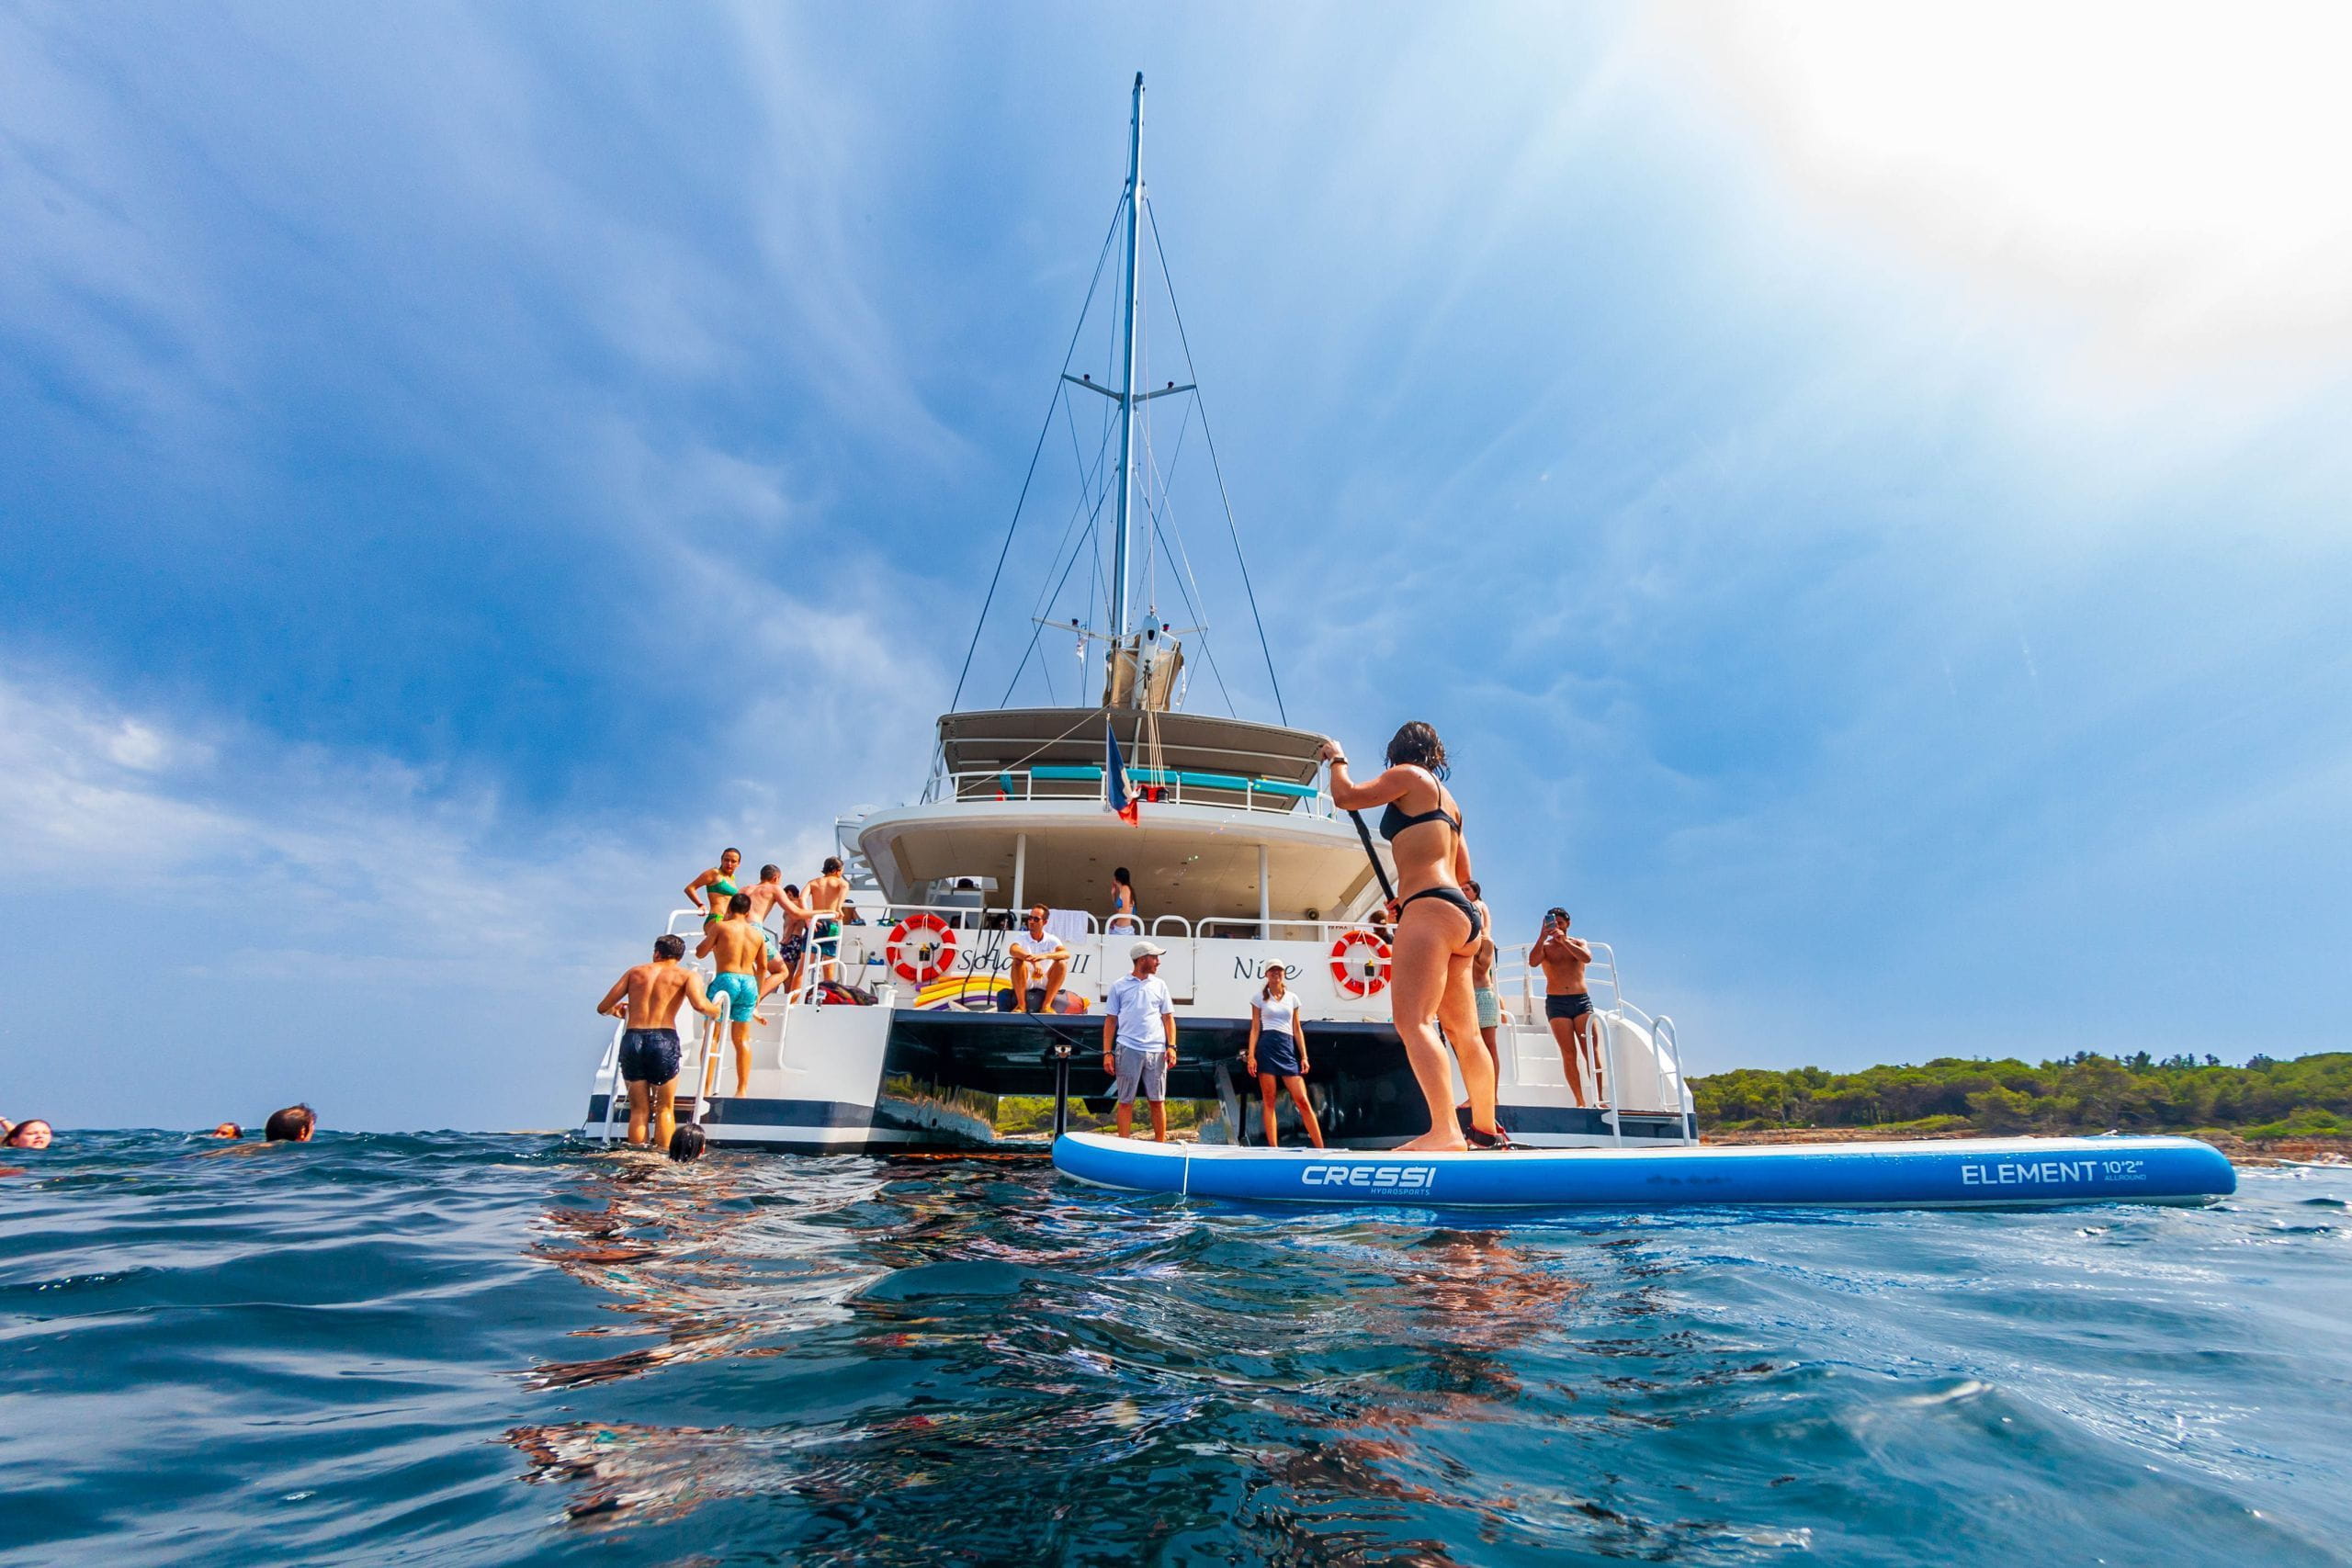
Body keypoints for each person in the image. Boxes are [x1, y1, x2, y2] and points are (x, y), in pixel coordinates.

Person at [1321, 722, 1505, 1152]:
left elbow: (1346, 796)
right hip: (1461, 916)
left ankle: (1445, 1132)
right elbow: (1463, 876)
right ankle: (1485, 1129)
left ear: (1398, 752)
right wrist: (1410, 899)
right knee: (1465, 1033)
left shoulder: (1407, 776)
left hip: (1431, 911)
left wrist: (1337, 758)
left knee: (1413, 1022)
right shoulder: (1451, 804)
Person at [596, 932, 723, 1149]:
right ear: (679, 956)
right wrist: (717, 1009)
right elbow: (701, 1006)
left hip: (633, 1038)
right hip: (663, 1040)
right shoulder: (685, 975)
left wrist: (618, 1011)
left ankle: (637, 1159)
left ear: (657, 953)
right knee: (664, 1107)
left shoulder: (635, 972)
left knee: (638, 1109)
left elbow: (603, 1007)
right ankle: (663, 1162)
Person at [1102, 941, 1178, 1141]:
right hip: (1128, 1048)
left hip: (1157, 1050)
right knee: (1126, 1100)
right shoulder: (1119, 986)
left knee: (1158, 1100)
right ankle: (1124, 1144)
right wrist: (1107, 1053)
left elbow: (1168, 1017)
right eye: (1155, 957)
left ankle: (1160, 1145)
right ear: (1142, 959)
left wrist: (1171, 1047)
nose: (1158, 962)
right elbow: (1110, 1021)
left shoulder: (1160, 985)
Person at [695, 893, 767, 1093]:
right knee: (742, 1039)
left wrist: (714, 940)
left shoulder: (721, 927)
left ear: (729, 909)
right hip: (749, 982)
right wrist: (758, 995)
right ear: (748, 911)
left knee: (713, 1036)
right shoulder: (757, 935)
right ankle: (742, 1089)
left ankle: (706, 1088)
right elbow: (762, 967)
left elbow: (700, 952)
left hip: (726, 978)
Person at [1246, 964, 1324, 1149]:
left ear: (1283, 973)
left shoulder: (1292, 998)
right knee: (1269, 1099)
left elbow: (1297, 1029)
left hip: (1287, 1048)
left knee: (1302, 1100)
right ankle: (1274, 1149)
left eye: (1279, 970)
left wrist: (1304, 1056)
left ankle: (1321, 1148)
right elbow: (1255, 1028)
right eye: (1272, 970)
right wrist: (1251, 1055)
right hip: (1267, 1048)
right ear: (1266, 974)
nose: (1276, 973)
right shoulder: (1258, 998)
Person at [1531, 908, 1597, 1105]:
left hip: (1581, 1001)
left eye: (1560, 923)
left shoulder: (1578, 942)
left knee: (1590, 1052)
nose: (1556, 926)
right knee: (1569, 1054)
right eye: (1552, 923)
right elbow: (1533, 962)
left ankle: (1599, 1099)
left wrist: (1565, 941)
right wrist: (1542, 937)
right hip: (1557, 1002)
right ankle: (1580, 1100)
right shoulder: (1546, 946)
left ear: (1567, 924)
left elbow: (1586, 958)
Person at [1465, 879, 1502, 1073]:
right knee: (1472, 1048)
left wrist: (1468, 948)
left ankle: (1492, 1096)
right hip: (1465, 996)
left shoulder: (1486, 943)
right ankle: (1476, 1094)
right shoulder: (1459, 941)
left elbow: (1481, 970)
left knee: (1489, 1046)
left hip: (1482, 995)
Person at [1007, 905, 1070, 1013]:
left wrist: (1044, 956)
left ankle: (1046, 1006)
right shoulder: (1021, 937)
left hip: (1045, 980)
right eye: (1030, 918)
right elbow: (1013, 950)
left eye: (1036, 919)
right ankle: (1021, 1005)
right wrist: (1034, 961)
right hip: (1026, 979)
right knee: (1017, 961)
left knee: (1062, 964)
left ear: (1044, 922)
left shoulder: (1051, 939)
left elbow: (1066, 953)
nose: (1031, 921)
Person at [807, 857, 849, 982]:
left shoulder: (813, 883)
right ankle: (827, 994)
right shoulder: (841, 883)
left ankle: (794, 998)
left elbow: (802, 899)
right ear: (837, 870)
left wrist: (807, 917)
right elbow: (844, 888)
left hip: (816, 922)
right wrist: (838, 908)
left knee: (805, 966)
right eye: (841, 871)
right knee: (828, 965)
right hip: (831, 923)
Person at [684, 849, 744, 928]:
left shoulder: (732, 879)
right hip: (716, 918)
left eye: (733, 861)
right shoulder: (714, 873)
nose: (729, 864)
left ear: (738, 863)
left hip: (729, 922)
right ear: (721, 860)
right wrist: (700, 905)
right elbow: (690, 888)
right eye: (726, 860)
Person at [1108, 866, 1140, 934]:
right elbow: (1120, 909)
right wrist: (1113, 895)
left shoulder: (1125, 889)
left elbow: (1125, 910)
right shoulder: (1125, 890)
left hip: (1123, 931)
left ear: (1117, 878)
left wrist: (1114, 918)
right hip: (1120, 929)